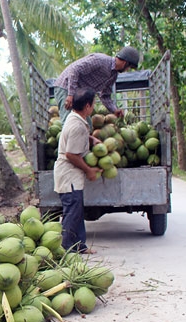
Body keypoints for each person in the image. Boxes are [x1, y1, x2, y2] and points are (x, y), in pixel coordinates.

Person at [53, 87, 102, 254]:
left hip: (71, 176)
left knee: (77, 210)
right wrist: (89, 170)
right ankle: (64, 248)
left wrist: (90, 139)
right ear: (87, 106)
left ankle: (80, 246)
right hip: (69, 176)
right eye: (93, 103)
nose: (94, 106)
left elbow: (73, 139)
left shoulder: (74, 119)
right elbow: (71, 154)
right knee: (71, 213)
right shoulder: (77, 125)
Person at [54, 46, 141, 123]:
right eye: (129, 67)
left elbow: (105, 96)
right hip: (66, 86)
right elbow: (74, 70)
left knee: (87, 126)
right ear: (125, 63)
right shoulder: (100, 60)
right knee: (68, 123)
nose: (127, 70)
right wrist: (70, 94)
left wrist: (114, 110)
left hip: (80, 96)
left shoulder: (113, 75)